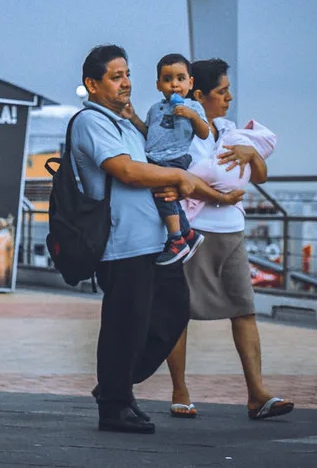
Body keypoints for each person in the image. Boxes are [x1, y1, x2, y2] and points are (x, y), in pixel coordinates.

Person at [72, 44, 218, 435]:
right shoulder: (92, 121)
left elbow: (152, 164)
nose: (125, 83)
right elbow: (126, 171)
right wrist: (179, 178)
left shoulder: (125, 124)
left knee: (173, 311)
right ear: (92, 84)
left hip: (154, 242)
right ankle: (114, 404)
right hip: (122, 243)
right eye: (115, 76)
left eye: (127, 74)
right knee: (125, 325)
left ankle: (115, 385)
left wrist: (170, 181)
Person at [164, 58, 293, 421]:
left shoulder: (230, 131)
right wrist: (219, 195)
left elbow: (260, 176)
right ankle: (179, 391)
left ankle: (257, 394)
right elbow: (178, 179)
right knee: (180, 312)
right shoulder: (181, 133)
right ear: (199, 95)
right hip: (193, 234)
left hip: (232, 233)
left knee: (244, 309)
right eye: (222, 92)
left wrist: (252, 154)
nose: (229, 98)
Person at [128, 53, 209, 266]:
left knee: (163, 195)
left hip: (175, 158)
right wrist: (133, 118)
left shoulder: (193, 107)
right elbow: (149, 133)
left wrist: (192, 116)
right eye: (167, 79)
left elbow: (204, 133)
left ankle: (176, 240)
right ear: (158, 85)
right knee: (168, 198)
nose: (174, 84)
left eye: (180, 79)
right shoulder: (155, 109)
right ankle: (189, 235)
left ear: (190, 83)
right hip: (154, 158)